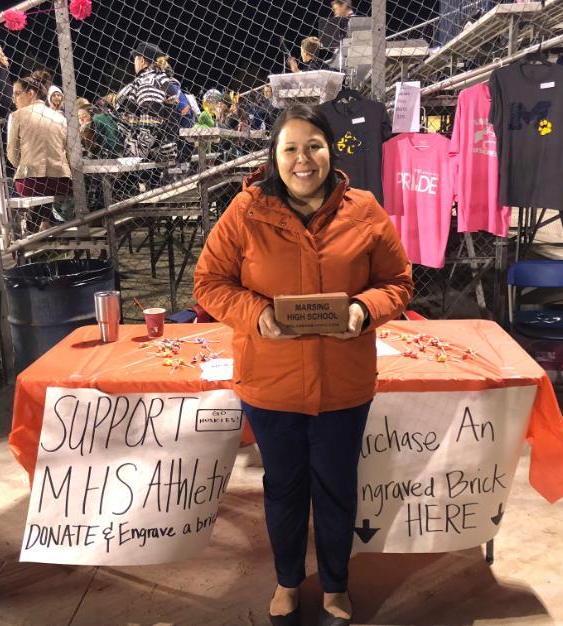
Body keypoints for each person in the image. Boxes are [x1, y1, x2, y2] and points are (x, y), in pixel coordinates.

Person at [193, 104, 412, 626]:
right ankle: (287, 582)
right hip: (271, 385)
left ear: (330, 150)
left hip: (343, 386)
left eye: (313, 146)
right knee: (284, 489)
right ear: (273, 156)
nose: (302, 159)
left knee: (337, 488)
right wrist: (256, 313)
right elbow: (209, 282)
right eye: (289, 148)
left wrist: (364, 309)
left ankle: (335, 585)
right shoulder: (245, 211)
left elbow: (398, 283)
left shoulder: (364, 210)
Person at [6, 71, 71, 233]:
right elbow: (67, 150)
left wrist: (23, 164)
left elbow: (12, 154)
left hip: (31, 182)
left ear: (30, 93)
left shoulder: (17, 116)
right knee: (43, 189)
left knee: (20, 180)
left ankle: (32, 227)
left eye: (17, 94)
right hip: (61, 180)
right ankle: (45, 222)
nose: (13, 99)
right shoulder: (60, 117)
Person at [115, 42, 179, 163]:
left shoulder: (148, 82)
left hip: (148, 155)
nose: (133, 63)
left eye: (135, 59)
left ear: (142, 60)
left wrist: (137, 154)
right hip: (160, 148)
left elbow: (151, 122)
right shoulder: (160, 79)